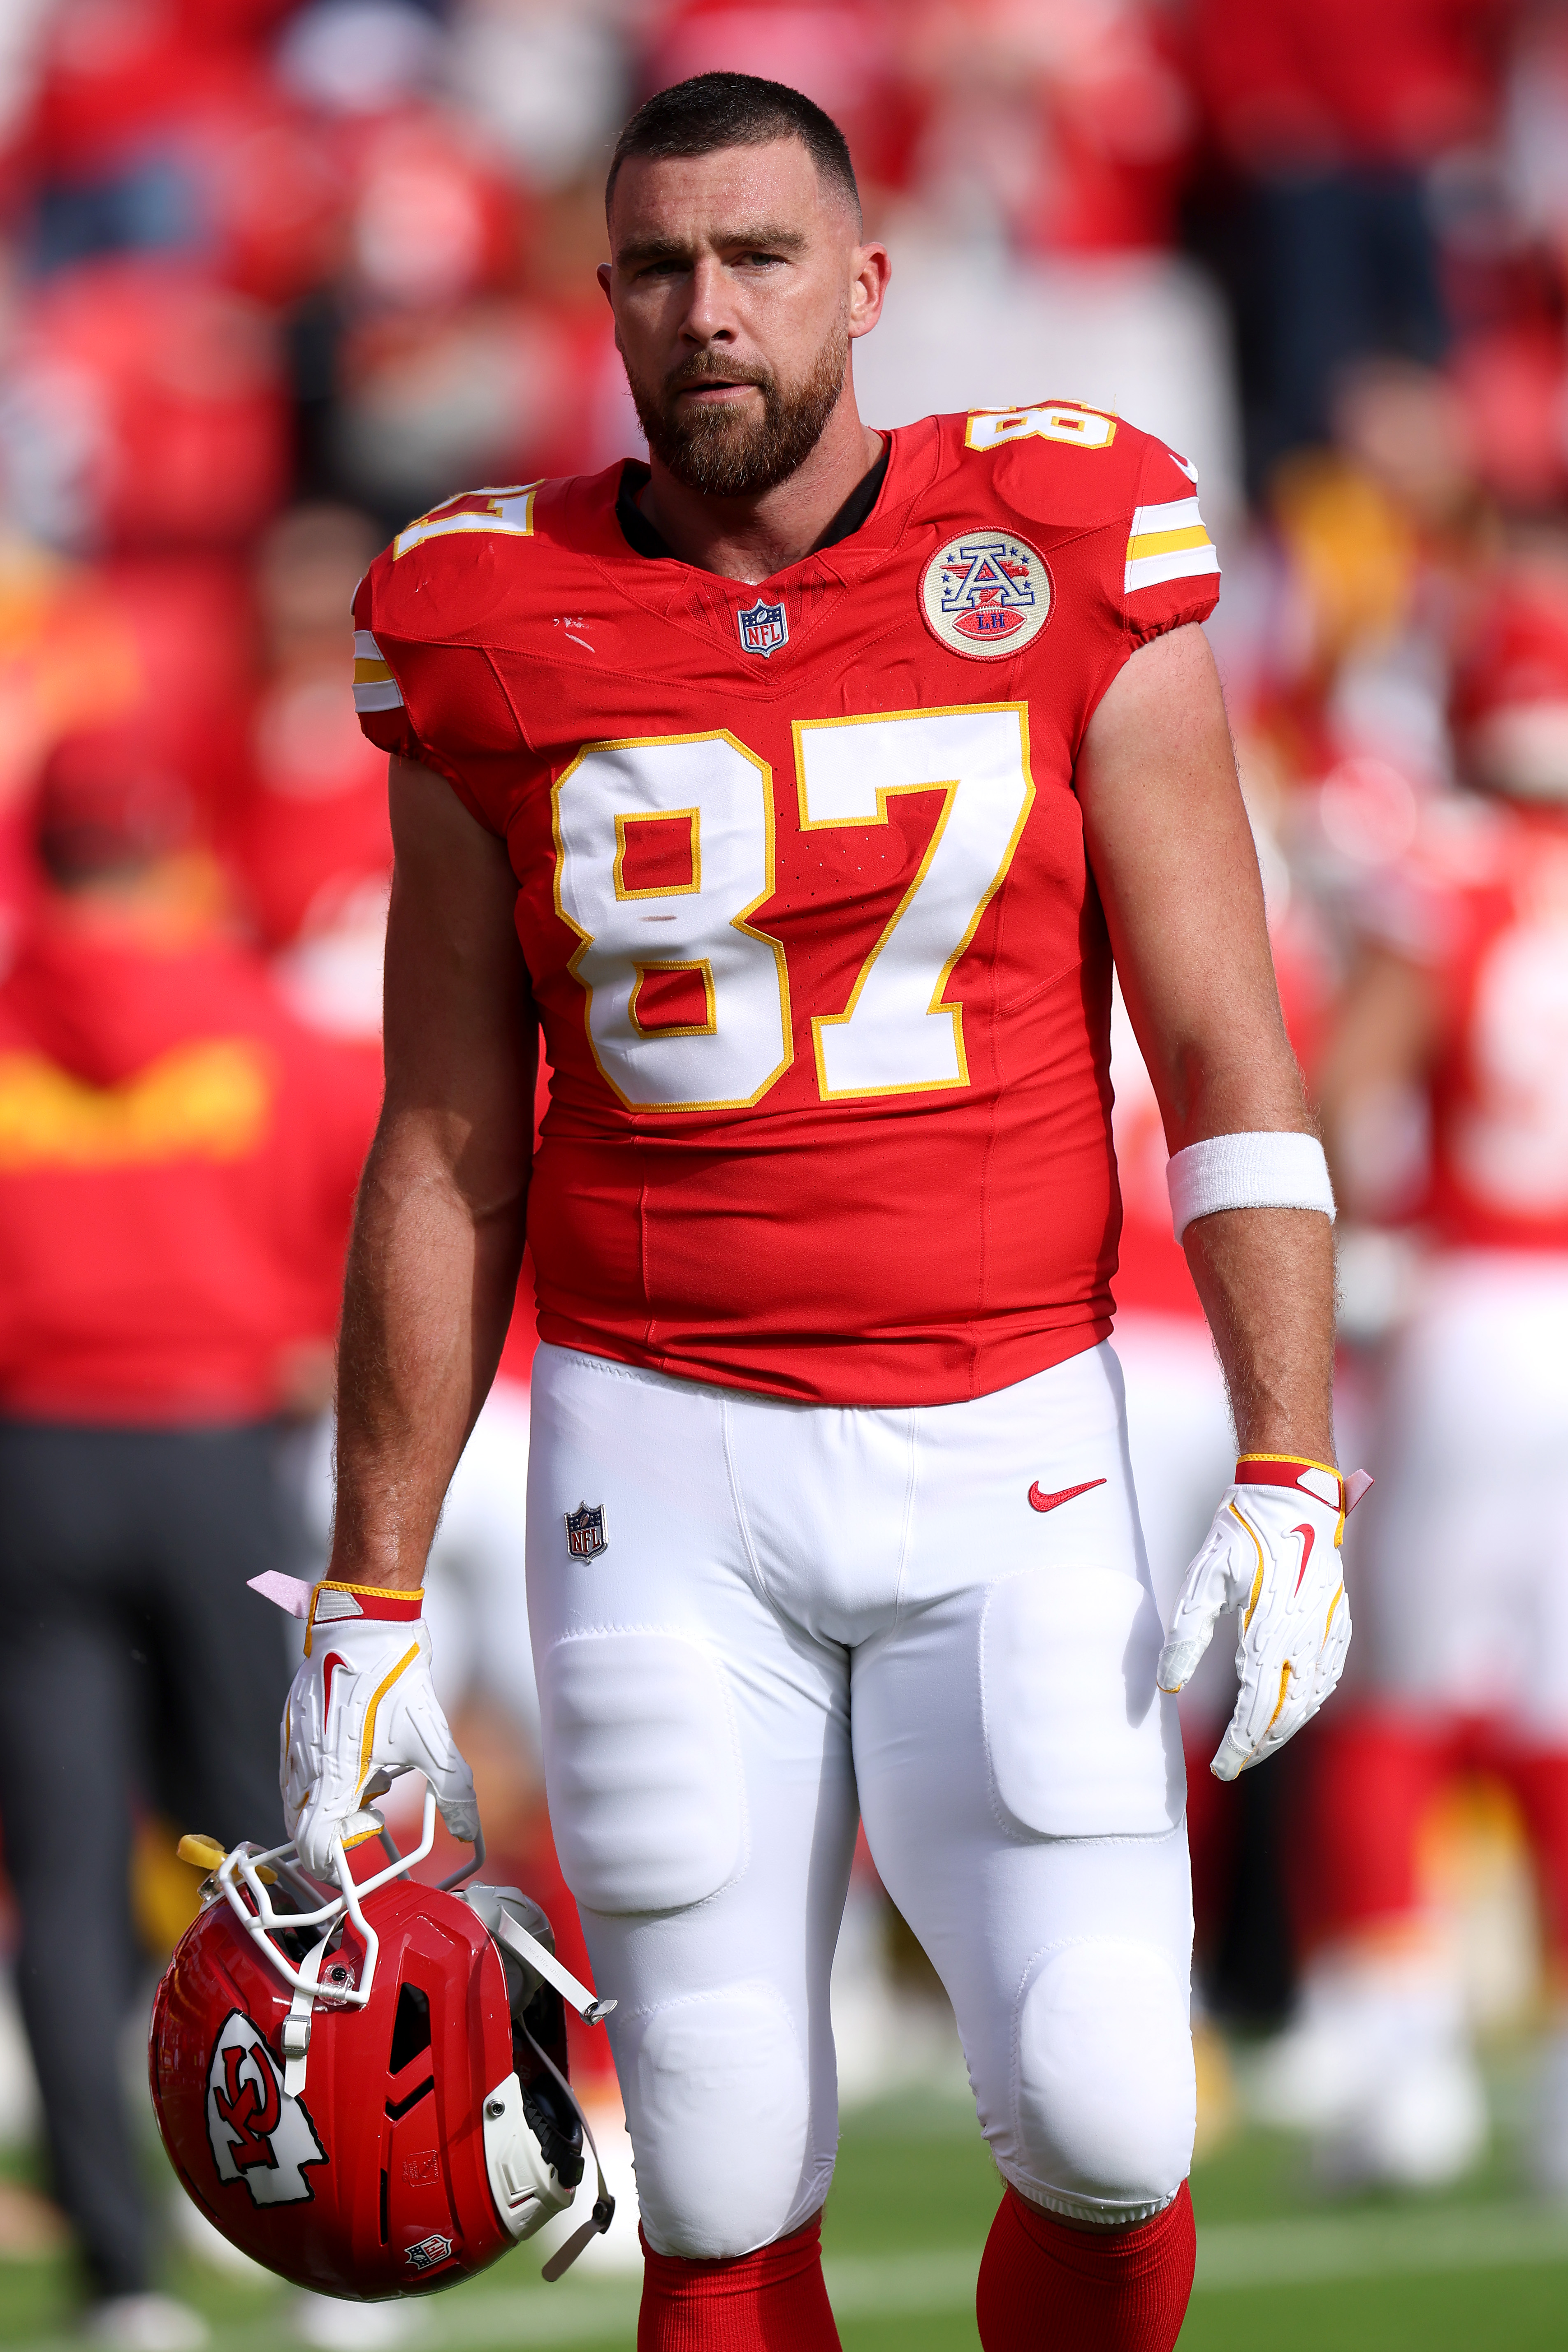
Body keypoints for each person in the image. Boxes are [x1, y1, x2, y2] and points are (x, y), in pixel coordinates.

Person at [274, 73, 1354, 2352]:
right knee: (728, 2145)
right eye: (661, 267)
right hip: (665, 1459)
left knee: (1103, 2117)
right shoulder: (482, 611)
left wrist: (1289, 1451)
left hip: (1013, 1424)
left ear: (862, 284)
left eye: (760, 257)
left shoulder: (1063, 536)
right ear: (605, 307)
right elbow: (446, 1134)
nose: (711, 311)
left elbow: (1224, 1048)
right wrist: (372, 1585)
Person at [0, 726, 381, 2351]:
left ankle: (125, 2277)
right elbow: (361, 1233)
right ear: (168, 848)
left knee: (69, 1881)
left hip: (31, 1463)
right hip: (223, 1462)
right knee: (269, 1853)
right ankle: (319, 2245)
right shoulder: (262, 1026)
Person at [1297, 564, 1568, 2192]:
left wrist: (1368, 1235)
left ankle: (1400, 2072)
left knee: (1394, 1692)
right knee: (1553, 1703)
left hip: (1470, 1303)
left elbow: (1347, 1074)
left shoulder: (1454, 872)